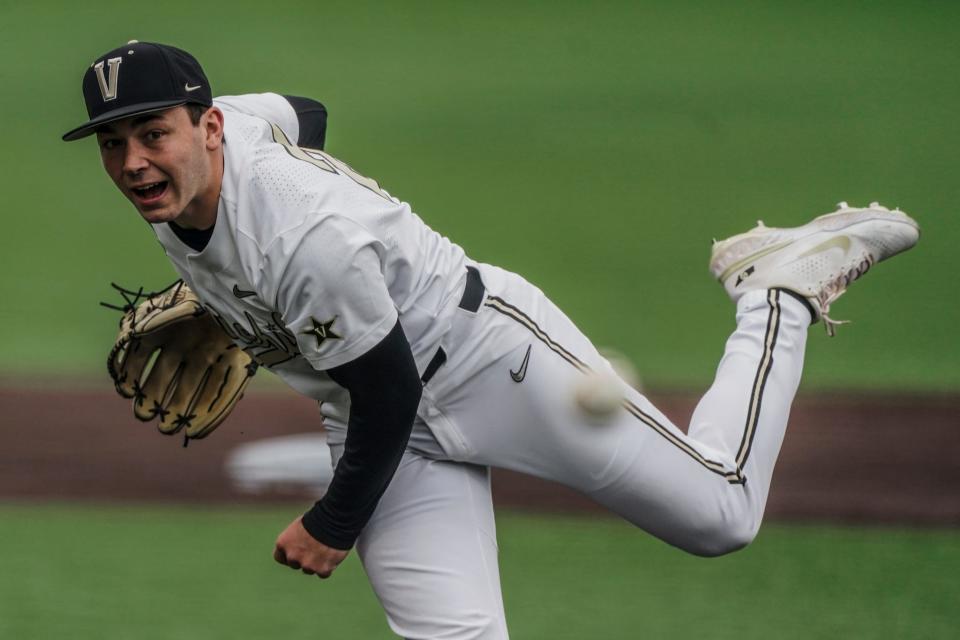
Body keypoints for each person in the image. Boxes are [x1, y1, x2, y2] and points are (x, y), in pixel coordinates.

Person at [64, 41, 919, 639]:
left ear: (206, 126)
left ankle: (777, 291)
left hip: (492, 363)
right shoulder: (222, 154)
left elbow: (391, 387)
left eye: (154, 134)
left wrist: (334, 522)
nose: (135, 161)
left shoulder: (302, 240)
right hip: (377, 419)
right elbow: (307, 113)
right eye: (115, 142)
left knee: (721, 514)